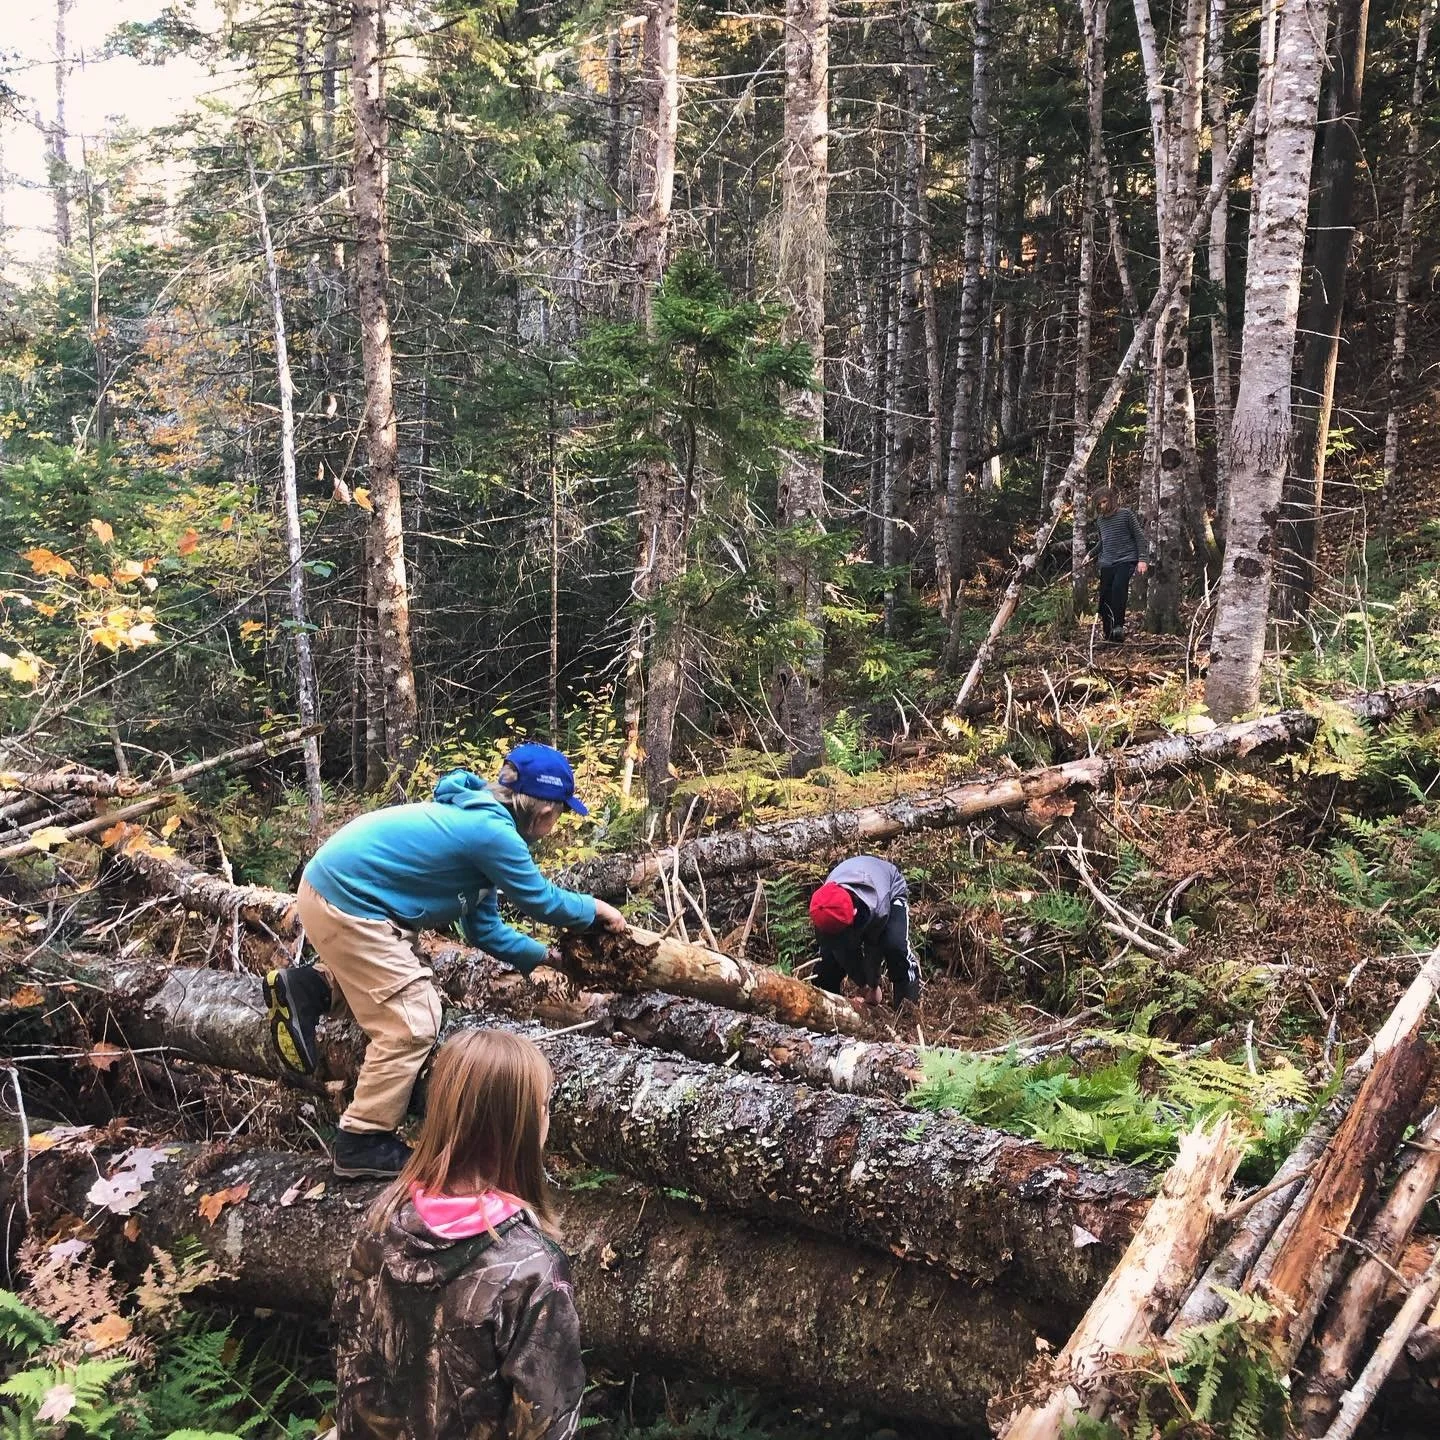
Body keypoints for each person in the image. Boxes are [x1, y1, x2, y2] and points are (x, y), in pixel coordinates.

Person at [264, 742, 627, 1179]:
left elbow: (482, 929)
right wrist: (595, 910)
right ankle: (362, 1140)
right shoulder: (492, 834)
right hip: (350, 903)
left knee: (385, 979)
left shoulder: (480, 826)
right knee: (412, 1019)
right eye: (562, 813)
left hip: (336, 894)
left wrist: (548, 958)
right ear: (547, 811)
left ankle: (311, 990)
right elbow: (541, 901)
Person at [333, 1028, 585, 1440]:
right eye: (543, 1107)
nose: (547, 1118)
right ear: (521, 1124)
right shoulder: (533, 1269)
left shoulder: (381, 1221)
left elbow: (351, 1367)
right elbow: (549, 1424)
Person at [808, 855, 921, 1008]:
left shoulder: (878, 908)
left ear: (854, 913)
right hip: (848, 881)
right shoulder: (822, 909)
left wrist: (873, 986)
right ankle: (829, 1013)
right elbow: (842, 950)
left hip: (890, 887)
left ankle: (907, 1012)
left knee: (894, 946)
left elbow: (873, 948)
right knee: (827, 963)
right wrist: (863, 984)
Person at [1092, 487, 1148, 643]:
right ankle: (1108, 633)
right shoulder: (1100, 521)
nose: (1102, 506)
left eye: (1104, 502)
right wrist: (1090, 554)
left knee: (1118, 588)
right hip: (1107, 562)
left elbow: (1139, 537)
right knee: (1105, 597)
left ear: (1111, 500)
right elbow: (1103, 542)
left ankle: (1118, 625)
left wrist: (1142, 559)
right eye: (1099, 504)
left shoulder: (1126, 515)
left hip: (1126, 559)